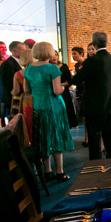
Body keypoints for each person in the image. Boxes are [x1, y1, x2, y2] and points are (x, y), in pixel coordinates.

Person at [24, 42, 73, 182]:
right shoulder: (52, 68)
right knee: (56, 136)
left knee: (43, 136)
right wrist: (63, 89)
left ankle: (47, 171)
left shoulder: (29, 69)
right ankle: (59, 172)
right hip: (53, 106)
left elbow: (27, 90)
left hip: (38, 106)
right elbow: (57, 91)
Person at [72, 31, 111, 160]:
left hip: (94, 104)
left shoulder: (92, 61)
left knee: (94, 136)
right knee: (109, 133)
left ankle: (95, 164)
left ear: (94, 44)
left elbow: (77, 80)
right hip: (108, 102)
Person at [11, 49, 34, 143]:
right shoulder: (39, 71)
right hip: (40, 97)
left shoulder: (18, 74)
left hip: (27, 101)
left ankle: (30, 142)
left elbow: (16, 91)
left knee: (29, 123)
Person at [51, 51, 78, 129]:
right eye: (53, 55)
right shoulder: (48, 67)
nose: (54, 57)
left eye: (56, 55)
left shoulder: (63, 66)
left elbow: (69, 81)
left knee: (65, 113)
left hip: (64, 93)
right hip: (52, 93)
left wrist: (60, 84)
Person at [0, 41, 26, 118]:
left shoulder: (21, 62)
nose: (24, 52)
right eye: (22, 49)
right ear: (14, 51)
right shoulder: (7, 64)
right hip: (14, 99)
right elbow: (8, 84)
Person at [71, 46, 88, 147]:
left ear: (81, 54)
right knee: (82, 116)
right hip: (79, 92)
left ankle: (88, 138)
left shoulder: (86, 64)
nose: (73, 56)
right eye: (72, 54)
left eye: (75, 54)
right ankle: (87, 137)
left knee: (86, 117)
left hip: (86, 92)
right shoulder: (77, 65)